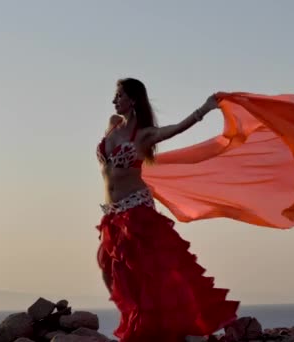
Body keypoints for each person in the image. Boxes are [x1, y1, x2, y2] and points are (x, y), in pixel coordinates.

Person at [95, 78, 239, 341]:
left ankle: (169, 325)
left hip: (136, 210)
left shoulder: (144, 134)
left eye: (119, 96)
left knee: (152, 271)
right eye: (115, 96)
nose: (114, 101)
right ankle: (134, 317)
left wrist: (204, 109)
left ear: (133, 99)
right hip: (113, 213)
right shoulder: (112, 126)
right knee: (108, 268)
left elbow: (177, 129)